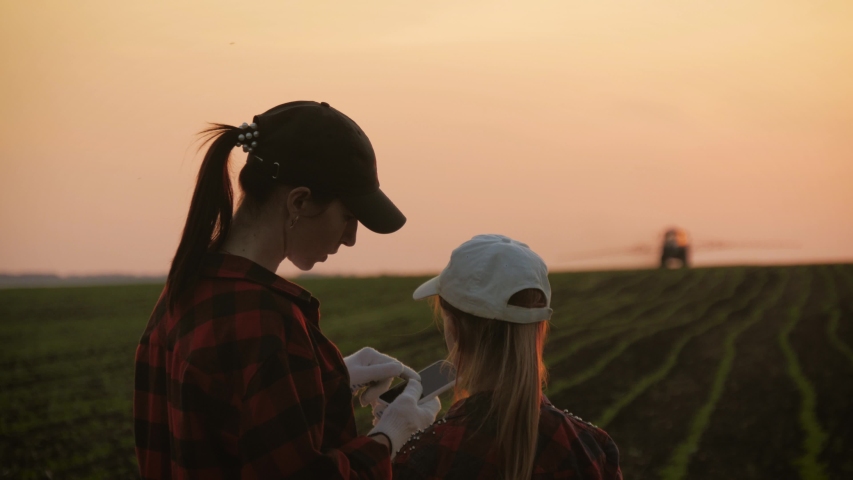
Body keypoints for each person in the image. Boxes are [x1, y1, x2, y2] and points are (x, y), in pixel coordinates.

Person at [133, 100, 440, 479]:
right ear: (299, 202)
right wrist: (390, 436)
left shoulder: (182, 294)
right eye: (348, 217)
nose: (351, 239)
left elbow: (227, 423)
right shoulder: (265, 323)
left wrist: (328, 379)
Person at [391, 234, 623, 480]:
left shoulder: (425, 456)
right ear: (540, 329)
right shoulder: (592, 448)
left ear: (455, 329)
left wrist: (388, 441)